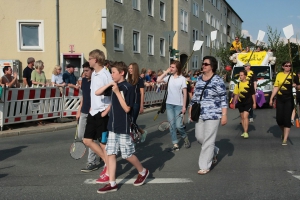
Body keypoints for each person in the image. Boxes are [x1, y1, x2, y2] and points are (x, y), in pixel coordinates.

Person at [96, 61, 149, 194]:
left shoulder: (127, 88)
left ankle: (143, 171)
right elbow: (97, 92)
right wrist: (110, 84)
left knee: (127, 155)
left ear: (122, 73)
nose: (111, 75)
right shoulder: (115, 85)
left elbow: (127, 108)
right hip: (112, 125)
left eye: (113, 72)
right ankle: (112, 183)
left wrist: (117, 93)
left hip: (123, 126)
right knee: (110, 153)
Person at [189, 56, 227, 175]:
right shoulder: (199, 79)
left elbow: (223, 98)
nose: (203, 66)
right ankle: (215, 151)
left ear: (212, 67)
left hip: (213, 114)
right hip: (200, 113)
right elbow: (195, 96)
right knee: (199, 137)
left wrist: (224, 114)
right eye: (203, 63)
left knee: (209, 140)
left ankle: (204, 165)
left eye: (206, 64)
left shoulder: (218, 80)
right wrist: (190, 110)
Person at [83, 49, 111, 183]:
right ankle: (107, 161)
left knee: (103, 143)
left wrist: (107, 110)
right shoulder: (94, 74)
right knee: (87, 140)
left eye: (90, 58)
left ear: (96, 60)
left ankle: (108, 169)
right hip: (93, 111)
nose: (89, 61)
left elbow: (113, 93)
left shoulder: (106, 74)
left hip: (102, 112)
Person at [157, 60, 191, 151]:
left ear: (177, 69)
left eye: (172, 67)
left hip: (179, 105)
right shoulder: (168, 77)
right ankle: (175, 143)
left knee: (179, 125)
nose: (170, 68)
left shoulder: (182, 79)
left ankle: (185, 137)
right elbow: (158, 80)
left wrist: (184, 107)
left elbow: (185, 94)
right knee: (172, 125)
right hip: (169, 104)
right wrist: (166, 72)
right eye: (170, 66)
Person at [76, 62, 99, 172]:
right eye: (84, 70)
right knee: (81, 136)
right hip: (84, 111)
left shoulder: (96, 81)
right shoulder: (84, 81)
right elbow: (83, 96)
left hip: (93, 113)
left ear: (92, 71)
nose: (84, 73)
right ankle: (100, 151)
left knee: (90, 139)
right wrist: (79, 110)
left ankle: (92, 162)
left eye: (86, 71)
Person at [269, 61, 296, 145]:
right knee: (279, 119)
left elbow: (298, 86)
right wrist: (271, 98)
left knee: (287, 119)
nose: (288, 67)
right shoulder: (279, 75)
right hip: (280, 98)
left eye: (289, 66)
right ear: (283, 67)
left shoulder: (293, 75)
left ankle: (285, 139)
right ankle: (284, 132)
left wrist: (296, 85)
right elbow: (276, 87)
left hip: (289, 98)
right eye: (286, 66)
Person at [232, 70, 256, 139]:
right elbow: (236, 94)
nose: (240, 76)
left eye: (241, 75)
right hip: (240, 102)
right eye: (240, 75)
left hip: (248, 102)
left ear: (245, 76)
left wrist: (254, 103)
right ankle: (244, 130)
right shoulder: (238, 84)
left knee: (245, 117)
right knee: (242, 117)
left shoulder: (249, 83)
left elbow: (253, 94)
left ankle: (246, 132)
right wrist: (234, 103)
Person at [127, 63, 148, 142]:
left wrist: (141, 106)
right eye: (129, 68)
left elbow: (142, 93)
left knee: (132, 121)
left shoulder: (139, 79)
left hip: (136, 103)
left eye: (131, 68)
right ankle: (142, 132)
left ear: (135, 69)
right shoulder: (128, 79)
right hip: (129, 103)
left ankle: (132, 139)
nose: (130, 70)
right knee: (130, 121)